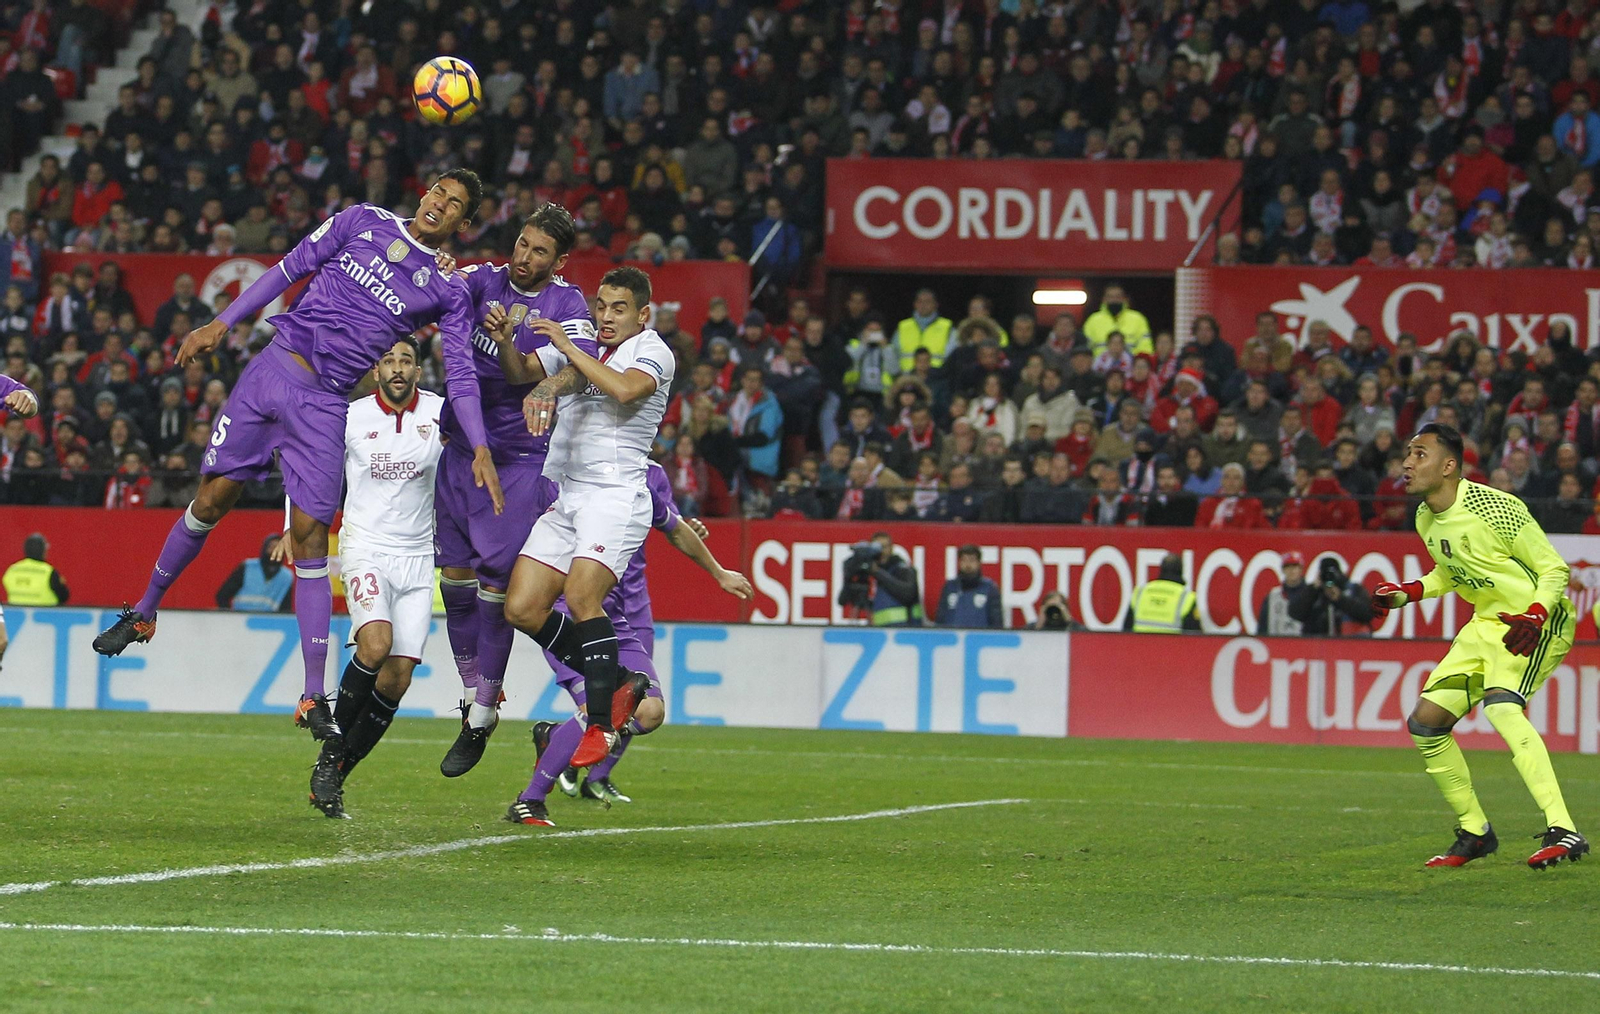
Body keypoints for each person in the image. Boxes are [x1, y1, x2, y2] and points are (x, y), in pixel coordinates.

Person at [92, 170, 501, 758]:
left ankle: (313, 695)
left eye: (455, 203)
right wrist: (222, 323)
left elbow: (460, 373)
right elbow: (288, 268)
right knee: (211, 500)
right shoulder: (363, 220)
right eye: (439, 190)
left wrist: (480, 442)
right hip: (271, 371)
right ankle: (143, 612)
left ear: (465, 223)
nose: (440, 203)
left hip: (326, 404)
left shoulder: (446, 288)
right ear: (425, 192)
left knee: (309, 536)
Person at [1374, 423, 1587, 869]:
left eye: (1419, 454)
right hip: (1486, 623)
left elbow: (1554, 569)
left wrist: (1536, 614)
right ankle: (1475, 832)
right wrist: (1409, 593)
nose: (1406, 463)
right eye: (1408, 453)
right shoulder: (1425, 516)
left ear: (1448, 466)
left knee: (1502, 707)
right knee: (1426, 723)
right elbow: (1452, 571)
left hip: (1535, 621)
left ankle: (1563, 829)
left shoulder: (1496, 507)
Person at [433, 205, 593, 769]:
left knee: (496, 586)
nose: (524, 258)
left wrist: (541, 377)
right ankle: (475, 690)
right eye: (523, 244)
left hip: (517, 460)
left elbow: (556, 369)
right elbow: (438, 290)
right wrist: (436, 267)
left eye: (539, 251)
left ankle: (481, 711)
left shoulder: (568, 306)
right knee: (454, 581)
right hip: (459, 449)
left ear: (559, 261)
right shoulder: (483, 279)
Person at [500, 267, 675, 773]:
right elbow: (519, 372)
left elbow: (625, 390)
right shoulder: (586, 346)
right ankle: (617, 680)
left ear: (642, 314)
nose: (606, 316)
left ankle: (600, 721)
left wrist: (568, 347)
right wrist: (506, 340)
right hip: (570, 495)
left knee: (581, 598)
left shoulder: (652, 350)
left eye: (619, 308)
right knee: (522, 607)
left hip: (615, 496)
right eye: (601, 306)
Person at [510, 462, 752, 825]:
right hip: (569, 612)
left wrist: (718, 572)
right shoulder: (561, 473)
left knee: (649, 711)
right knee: (603, 704)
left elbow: (674, 526)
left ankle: (558, 739)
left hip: (616, 614)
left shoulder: (643, 483)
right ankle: (530, 799)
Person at [294, 338, 445, 817]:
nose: (397, 369)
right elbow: (310, 471)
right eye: (388, 361)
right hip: (365, 549)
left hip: (419, 556)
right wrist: (291, 527)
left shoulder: (442, 414)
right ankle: (330, 753)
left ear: (418, 370)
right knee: (375, 645)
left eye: (406, 361)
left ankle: (334, 775)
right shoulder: (350, 417)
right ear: (375, 370)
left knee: (397, 679)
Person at [1287, 556, 1373, 635]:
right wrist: (1313, 589)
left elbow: (1368, 613)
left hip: (1349, 643)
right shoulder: (1312, 592)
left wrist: (1340, 599)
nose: (1329, 579)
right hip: (1317, 643)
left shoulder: (1353, 590)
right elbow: (1294, 613)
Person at [854, 530, 923, 627]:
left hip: (905, 630)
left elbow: (908, 594)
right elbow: (843, 600)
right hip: (880, 631)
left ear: (891, 548)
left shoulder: (903, 569)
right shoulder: (871, 575)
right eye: (877, 548)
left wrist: (877, 572)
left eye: (885, 547)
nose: (882, 552)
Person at [214, 534, 293, 612]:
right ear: (265, 548)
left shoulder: (286, 577)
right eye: (271, 547)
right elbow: (222, 595)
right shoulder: (248, 567)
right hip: (241, 617)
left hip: (267, 619)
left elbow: (285, 608)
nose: (274, 551)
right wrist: (229, 616)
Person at [1125, 553, 1200, 633]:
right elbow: (1193, 633)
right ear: (1181, 570)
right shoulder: (1187, 597)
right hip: (1171, 641)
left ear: (1161, 569)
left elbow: (1126, 629)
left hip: (1140, 641)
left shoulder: (1140, 592)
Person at [935, 544, 1002, 628]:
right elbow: (940, 619)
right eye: (964, 560)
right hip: (952, 636)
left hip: (980, 636)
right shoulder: (949, 587)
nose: (968, 565)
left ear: (979, 563)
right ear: (959, 563)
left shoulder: (989, 588)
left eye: (972, 560)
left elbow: (997, 623)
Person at [1082, 283, 1152, 356]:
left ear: (1124, 299)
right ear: (1104, 299)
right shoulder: (1093, 321)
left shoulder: (1138, 319)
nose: (1114, 300)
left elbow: (1146, 349)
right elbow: (1085, 350)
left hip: (1131, 363)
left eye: (1118, 297)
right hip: (1100, 363)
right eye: (1110, 297)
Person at [3, 532, 69, 606]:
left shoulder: (12, 570)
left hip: (15, 612)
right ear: (43, 550)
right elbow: (64, 596)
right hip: (44, 612)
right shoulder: (49, 572)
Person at [1256, 551, 1306, 636]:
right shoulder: (1273, 596)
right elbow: (1262, 627)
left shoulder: (1310, 595)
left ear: (1301, 569)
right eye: (1288, 567)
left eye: (1295, 566)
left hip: (1304, 643)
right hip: (1276, 642)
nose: (1291, 570)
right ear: (1283, 570)